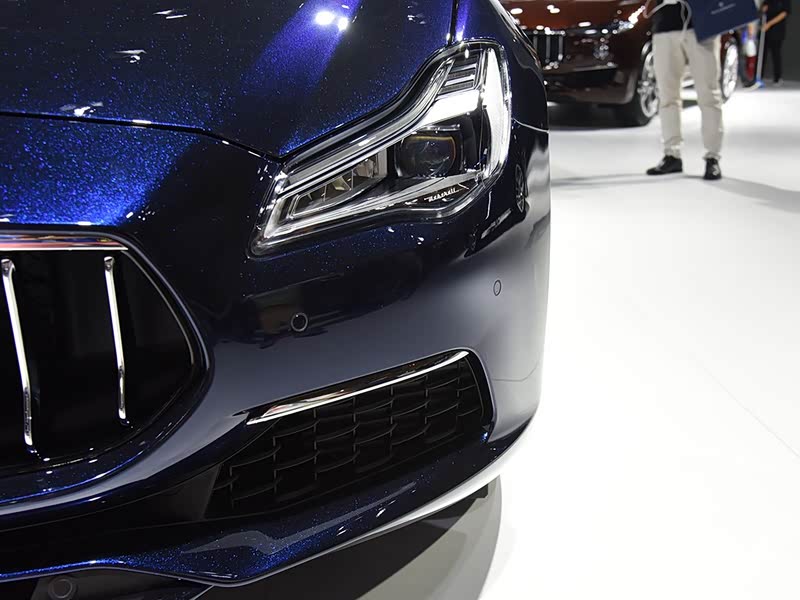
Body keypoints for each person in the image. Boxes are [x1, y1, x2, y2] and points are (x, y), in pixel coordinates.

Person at [645, 0, 724, 180]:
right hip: (664, 25)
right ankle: (672, 155)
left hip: (702, 23)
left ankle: (712, 157)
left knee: (709, 94)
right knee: (667, 95)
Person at [762, 0, 791, 85]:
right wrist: (763, 8)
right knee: (762, 54)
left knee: (776, 54)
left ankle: (777, 78)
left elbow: (784, 13)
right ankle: (759, 76)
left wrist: (769, 24)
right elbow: (764, 7)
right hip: (765, 31)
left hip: (777, 30)